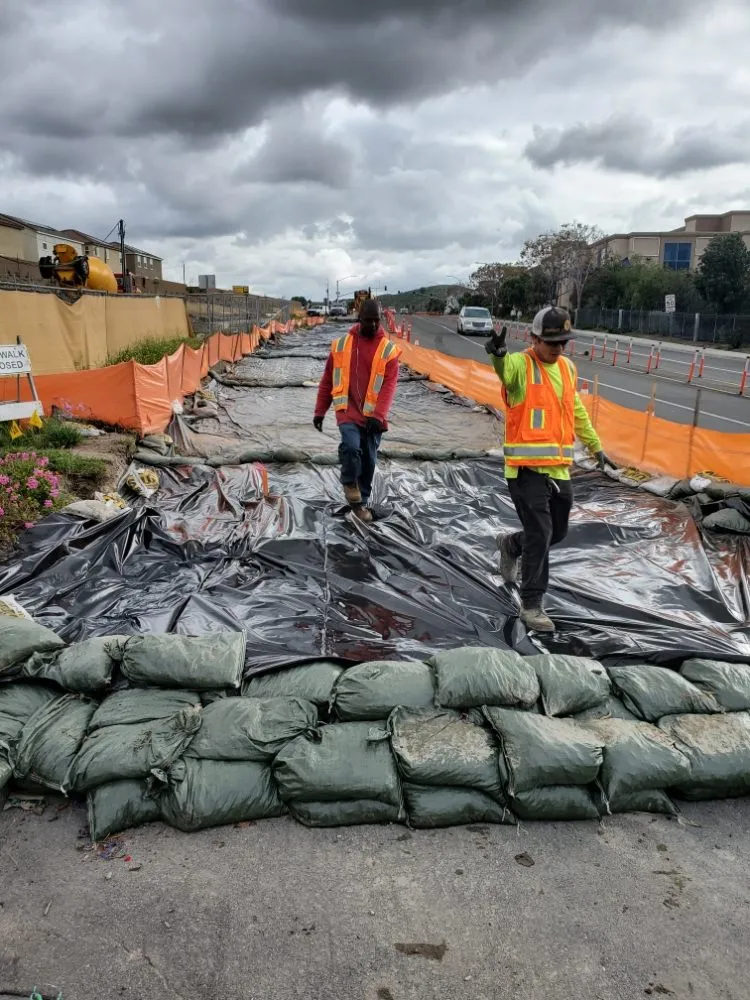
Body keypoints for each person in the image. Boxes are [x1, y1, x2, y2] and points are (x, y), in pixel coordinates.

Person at [486, 306, 616, 632]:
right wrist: (499, 354)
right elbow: (505, 371)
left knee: (555, 533)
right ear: (534, 339)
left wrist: (595, 445)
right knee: (541, 533)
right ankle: (531, 604)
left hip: (558, 470)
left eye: (562, 344)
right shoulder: (521, 365)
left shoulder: (569, 369)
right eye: (551, 343)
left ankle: (511, 545)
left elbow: (576, 411)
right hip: (526, 470)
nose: (558, 350)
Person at [313, 298, 401, 523]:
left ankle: (361, 501)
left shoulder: (388, 351)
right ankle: (351, 487)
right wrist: (320, 411)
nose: (372, 325)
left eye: (376, 321)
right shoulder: (342, 346)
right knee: (352, 448)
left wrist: (378, 415)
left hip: (373, 418)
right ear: (358, 319)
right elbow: (327, 381)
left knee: (369, 460)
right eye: (367, 320)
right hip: (348, 411)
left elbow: (389, 387)